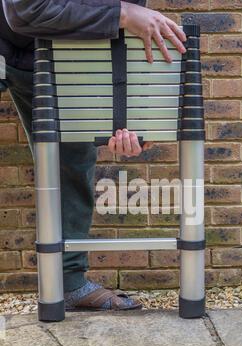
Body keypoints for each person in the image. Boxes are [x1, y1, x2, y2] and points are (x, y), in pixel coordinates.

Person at [0, 0, 186, 311]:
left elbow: (122, 40)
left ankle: (69, 284)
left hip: (64, 53)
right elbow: (25, 10)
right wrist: (123, 13)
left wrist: (133, 117)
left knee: (73, 157)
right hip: (8, 35)